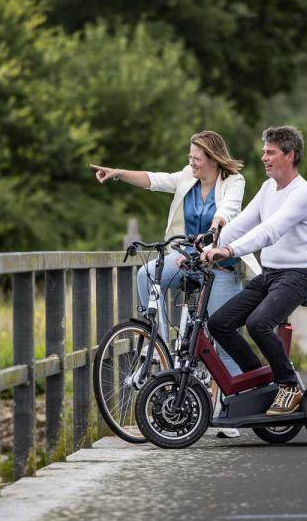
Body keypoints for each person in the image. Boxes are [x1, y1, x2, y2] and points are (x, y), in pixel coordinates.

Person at [91, 131, 260, 437]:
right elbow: (153, 180)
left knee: (223, 334)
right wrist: (118, 173)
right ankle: (160, 346)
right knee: (146, 275)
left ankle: (232, 410)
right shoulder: (186, 177)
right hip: (186, 258)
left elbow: (228, 211)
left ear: (212, 159)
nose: (191, 162)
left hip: (219, 264)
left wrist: (213, 232)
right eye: (189, 157)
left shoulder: (233, 181)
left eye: (196, 158)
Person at [201, 125, 307, 417]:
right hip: (271, 275)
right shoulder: (268, 188)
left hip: (300, 275)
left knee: (258, 323)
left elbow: (270, 230)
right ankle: (260, 381)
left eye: (271, 152)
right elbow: (242, 223)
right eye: (264, 151)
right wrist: (205, 248)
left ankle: (288, 385)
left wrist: (229, 251)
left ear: (290, 155)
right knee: (219, 323)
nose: (263, 157)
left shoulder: (303, 193)